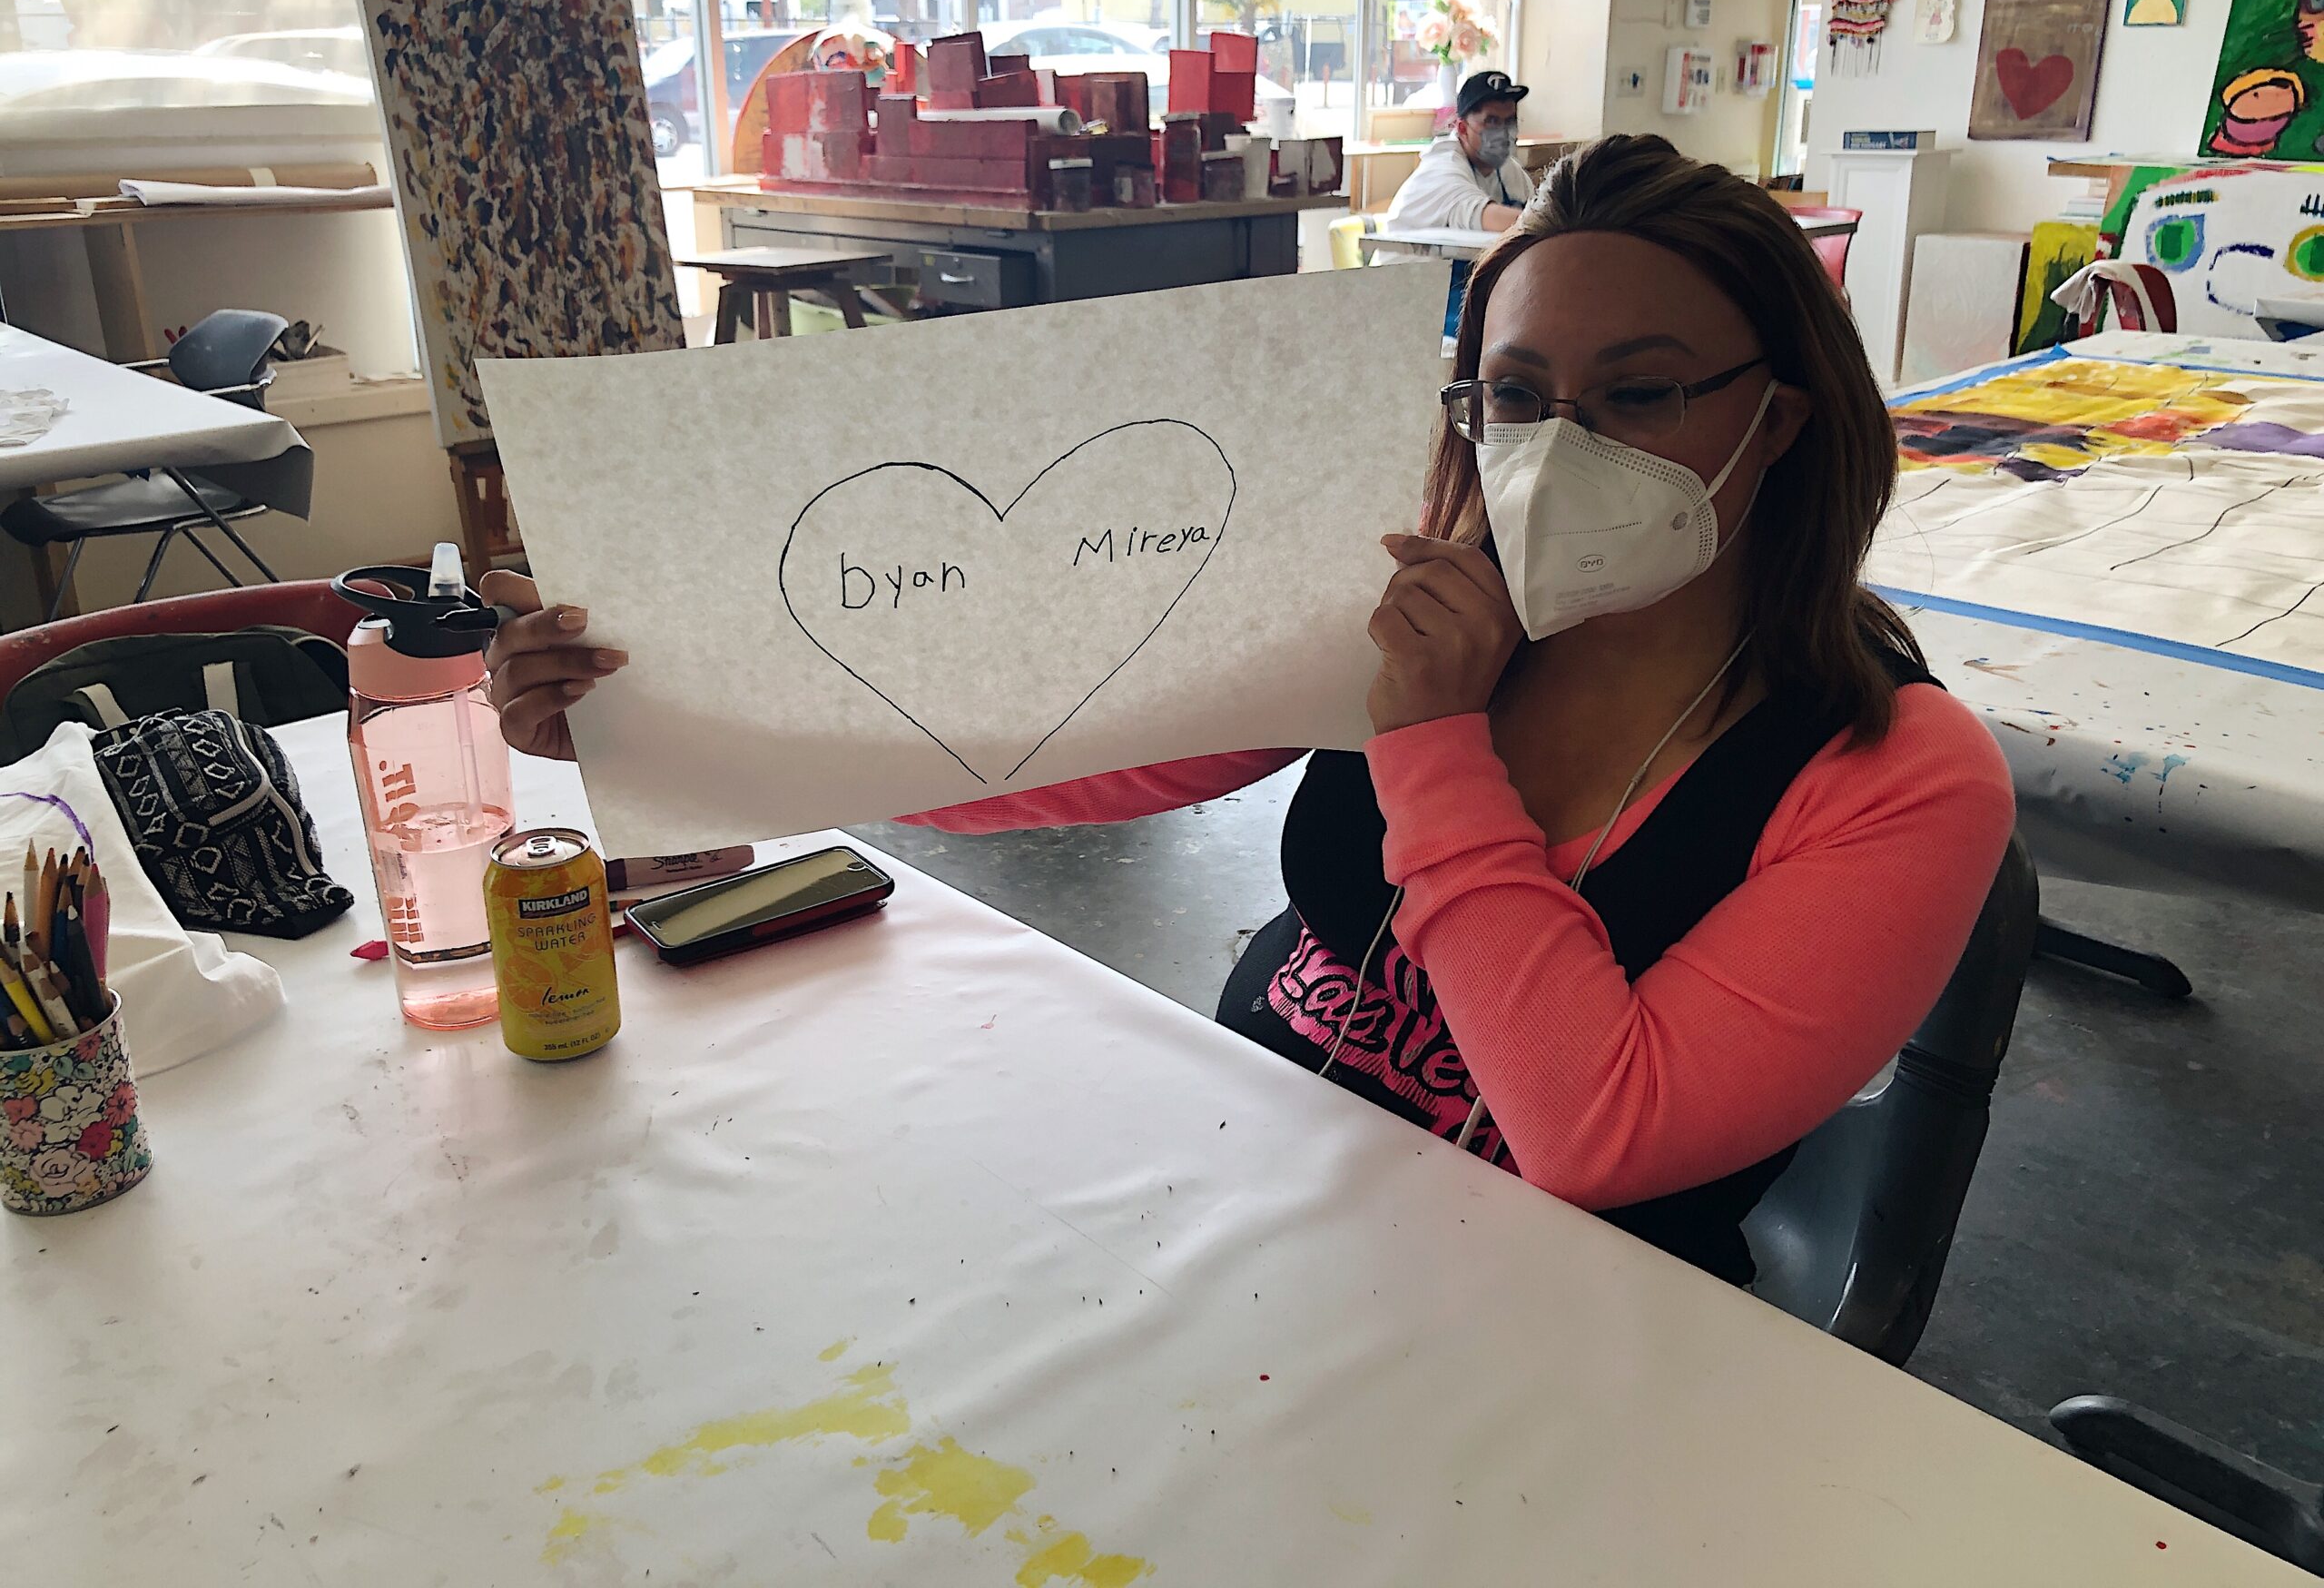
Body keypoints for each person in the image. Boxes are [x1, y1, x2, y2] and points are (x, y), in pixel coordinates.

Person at [484, 134, 2015, 1287]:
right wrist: (663, 722)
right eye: (1521, 395)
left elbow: (1597, 1137)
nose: (1562, 449)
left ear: (1782, 414)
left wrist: (1433, 739)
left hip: (1583, 1319)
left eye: (1642, 391)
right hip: (1268, 1203)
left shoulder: (1894, 772)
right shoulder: (1427, 605)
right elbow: (1055, 755)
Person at [1381, 70, 1533, 237]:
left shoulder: (1508, 169)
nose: (1504, 132)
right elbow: (1484, 216)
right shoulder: (1442, 168)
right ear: (1462, 129)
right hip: (1410, 262)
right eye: (1492, 121)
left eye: (1510, 121)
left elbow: (1537, 208)